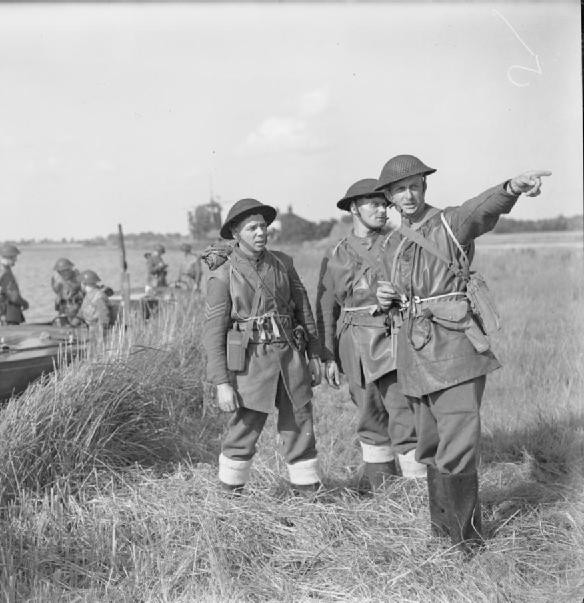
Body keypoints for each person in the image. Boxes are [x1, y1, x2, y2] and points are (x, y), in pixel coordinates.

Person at [373, 154, 551, 552]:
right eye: (400, 188)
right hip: (415, 355)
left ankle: (466, 544)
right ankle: (443, 538)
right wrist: (385, 296)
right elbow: (395, 289)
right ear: (388, 196)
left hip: (454, 350)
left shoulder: (450, 224)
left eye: (415, 185)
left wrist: (510, 188)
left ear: (424, 188)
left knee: (457, 447)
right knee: (431, 447)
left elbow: (480, 210)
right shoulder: (390, 244)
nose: (409, 194)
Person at [202, 198, 323, 494]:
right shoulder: (223, 274)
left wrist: (315, 355)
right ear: (235, 233)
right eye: (252, 227)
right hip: (250, 363)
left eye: (263, 226)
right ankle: (230, 497)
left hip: (290, 358)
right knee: (245, 427)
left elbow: (303, 312)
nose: (261, 232)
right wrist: (221, 383)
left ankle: (308, 496)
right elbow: (213, 333)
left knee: (300, 422)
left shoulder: (284, 264)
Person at [315, 178, 424, 490]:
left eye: (384, 204)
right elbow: (325, 309)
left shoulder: (399, 244)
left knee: (403, 412)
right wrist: (327, 356)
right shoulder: (335, 254)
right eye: (373, 204)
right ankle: (383, 492)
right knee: (369, 416)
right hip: (352, 343)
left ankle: (416, 492)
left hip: (393, 335)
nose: (381, 210)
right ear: (354, 209)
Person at [0, 244, 29, 325]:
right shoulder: (6, 273)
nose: (16, 260)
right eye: (14, 257)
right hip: (9, 312)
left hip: (3, 311)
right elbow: (14, 296)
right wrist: (24, 303)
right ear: (8, 258)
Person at [79, 269, 112, 337]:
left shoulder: (98, 295)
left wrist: (103, 327)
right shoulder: (89, 294)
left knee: (96, 345)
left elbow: (104, 312)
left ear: (83, 283)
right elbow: (83, 311)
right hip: (92, 326)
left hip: (98, 328)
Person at [51, 257, 84, 324]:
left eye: (65, 271)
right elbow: (57, 291)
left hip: (76, 308)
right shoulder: (57, 279)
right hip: (63, 308)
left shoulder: (78, 276)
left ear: (70, 269)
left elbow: (84, 289)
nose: (62, 273)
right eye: (59, 271)